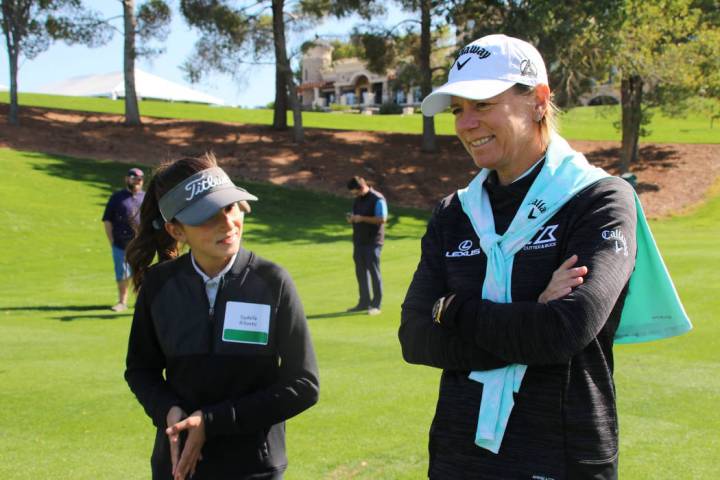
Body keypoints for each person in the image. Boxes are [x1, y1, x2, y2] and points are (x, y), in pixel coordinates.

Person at [399, 34, 641, 479]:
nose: (466, 123)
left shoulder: (600, 198)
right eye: (457, 109)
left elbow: (565, 329)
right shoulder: (454, 212)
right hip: (458, 455)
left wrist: (453, 310)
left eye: (483, 104)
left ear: (539, 101)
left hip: (563, 456)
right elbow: (414, 338)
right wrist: (530, 316)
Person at [124, 154, 319, 480]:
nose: (227, 223)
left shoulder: (273, 282)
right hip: (177, 468)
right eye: (206, 217)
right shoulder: (158, 286)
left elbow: (303, 385)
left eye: (229, 208)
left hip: (253, 469)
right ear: (176, 230)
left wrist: (212, 422)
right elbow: (140, 370)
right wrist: (168, 411)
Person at [102, 167, 145, 312]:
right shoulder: (117, 198)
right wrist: (112, 241)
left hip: (140, 245)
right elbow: (107, 221)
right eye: (133, 178)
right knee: (122, 274)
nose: (137, 181)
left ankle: (140, 302)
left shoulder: (145, 198)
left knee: (140, 273)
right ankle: (122, 302)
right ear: (127, 179)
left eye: (139, 179)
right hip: (120, 245)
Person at [346, 176, 388, 315]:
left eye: (355, 192)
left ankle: (376, 305)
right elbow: (357, 215)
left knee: (374, 273)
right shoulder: (358, 199)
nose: (355, 195)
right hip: (359, 241)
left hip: (373, 242)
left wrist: (361, 218)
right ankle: (364, 302)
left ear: (362, 187)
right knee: (361, 273)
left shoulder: (378, 199)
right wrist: (352, 219)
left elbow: (382, 219)